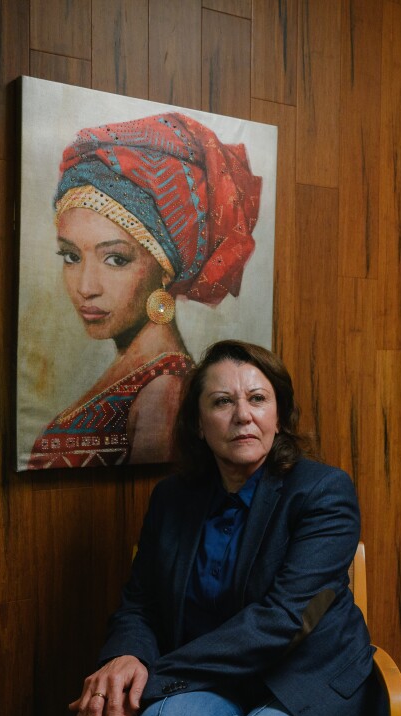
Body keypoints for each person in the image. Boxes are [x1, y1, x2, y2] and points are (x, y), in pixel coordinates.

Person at [69, 340, 386, 716]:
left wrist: (151, 676)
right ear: (198, 423)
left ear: (278, 416)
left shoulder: (324, 493)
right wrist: (125, 658)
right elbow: (140, 604)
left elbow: (283, 622)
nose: (243, 415)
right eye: (222, 401)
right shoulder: (172, 500)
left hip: (305, 697)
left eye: (258, 399)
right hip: (207, 686)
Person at [27, 113, 262, 469]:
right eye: (71, 256)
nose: (85, 287)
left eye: (116, 260)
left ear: (165, 267)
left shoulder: (164, 389)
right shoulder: (142, 372)